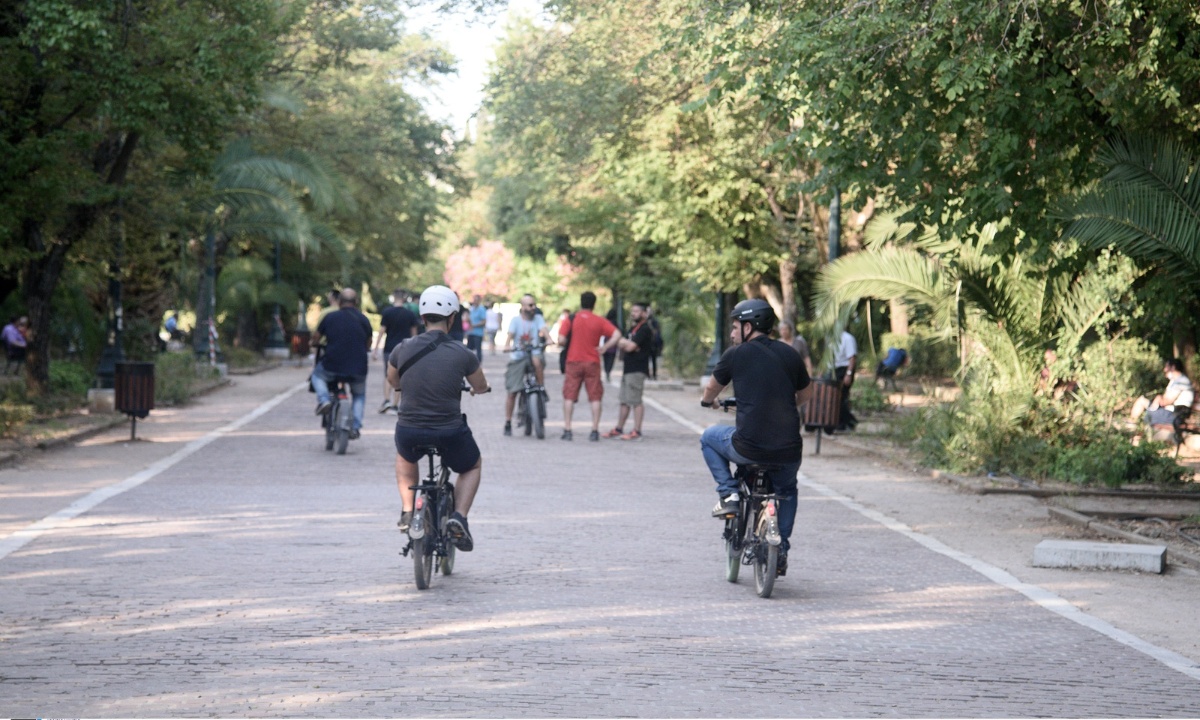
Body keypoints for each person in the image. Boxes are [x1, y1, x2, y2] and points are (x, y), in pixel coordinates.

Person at [700, 298, 812, 577]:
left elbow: (712, 389)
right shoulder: (790, 355)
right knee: (786, 491)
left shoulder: (736, 354)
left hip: (747, 446)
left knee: (709, 437)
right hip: (788, 450)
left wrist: (709, 402)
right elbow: (806, 394)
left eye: (736, 327)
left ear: (748, 327)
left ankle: (729, 493)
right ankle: (782, 547)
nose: (732, 334)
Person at [387, 285, 490, 551]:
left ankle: (408, 510)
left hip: (410, 430)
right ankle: (459, 517)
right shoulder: (463, 353)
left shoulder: (402, 348)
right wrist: (480, 390)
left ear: (422, 318)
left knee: (404, 454)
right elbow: (480, 385)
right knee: (472, 465)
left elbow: (392, 379)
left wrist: (403, 386)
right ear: (452, 318)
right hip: (449, 432)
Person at [559, 291, 622, 441]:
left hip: (573, 361)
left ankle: (568, 429)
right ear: (594, 304)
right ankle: (594, 430)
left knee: (569, 396)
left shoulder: (571, 319)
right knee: (595, 397)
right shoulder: (599, 321)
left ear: (581, 302)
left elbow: (561, 340)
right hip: (592, 361)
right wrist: (605, 347)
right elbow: (617, 334)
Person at [311, 289, 372, 439]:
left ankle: (324, 400)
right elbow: (368, 342)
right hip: (358, 367)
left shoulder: (330, 317)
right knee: (358, 395)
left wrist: (315, 343)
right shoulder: (363, 319)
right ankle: (356, 426)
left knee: (316, 376)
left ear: (339, 302)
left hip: (332, 365)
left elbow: (316, 337)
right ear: (356, 302)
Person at [601, 302, 654, 441]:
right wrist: (626, 344)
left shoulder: (644, 329)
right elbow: (621, 342)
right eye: (633, 311)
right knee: (624, 400)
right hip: (627, 369)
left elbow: (629, 346)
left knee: (636, 400)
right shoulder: (632, 329)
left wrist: (627, 345)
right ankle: (619, 428)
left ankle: (637, 430)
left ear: (644, 313)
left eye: (636, 311)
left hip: (637, 369)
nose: (633, 313)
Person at [501, 294, 549, 436]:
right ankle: (508, 422)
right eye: (529, 305)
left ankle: (541, 388)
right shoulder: (515, 321)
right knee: (512, 392)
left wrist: (549, 339)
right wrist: (507, 345)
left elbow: (545, 331)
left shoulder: (538, 319)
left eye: (533, 305)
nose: (532, 308)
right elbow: (509, 337)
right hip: (518, 356)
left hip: (533, 353)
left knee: (537, 361)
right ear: (522, 307)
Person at [372, 289, 419, 413]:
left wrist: (375, 349)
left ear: (394, 297)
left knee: (388, 375)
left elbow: (382, 331)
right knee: (401, 375)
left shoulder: (387, 312)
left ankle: (387, 399)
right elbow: (414, 334)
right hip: (405, 348)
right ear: (404, 298)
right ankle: (395, 404)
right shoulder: (410, 314)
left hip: (389, 347)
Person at [1130, 358, 1194, 428]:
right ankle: (1132, 424)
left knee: (1146, 415)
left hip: (1175, 416)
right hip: (1170, 412)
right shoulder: (1174, 381)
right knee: (1142, 401)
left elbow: (1166, 401)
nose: (1164, 370)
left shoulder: (1181, 381)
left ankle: (1132, 427)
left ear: (1173, 367)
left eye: (1166, 367)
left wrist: (1159, 398)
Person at [834, 329, 858, 431]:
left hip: (845, 369)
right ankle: (843, 422)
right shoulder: (832, 339)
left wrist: (848, 374)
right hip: (835, 369)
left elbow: (852, 358)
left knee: (841, 396)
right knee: (836, 397)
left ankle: (849, 421)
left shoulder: (848, 338)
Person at [467, 294, 487, 362]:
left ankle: (478, 364)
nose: (475, 301)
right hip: (471, 332)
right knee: (469, 350)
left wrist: (475, 325)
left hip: (478, 333)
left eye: (476, 300)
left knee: (478, 350)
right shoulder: (472, 308)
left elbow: (484, 321)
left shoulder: (481, 309)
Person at [647, 307, 663, 380]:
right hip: (646, 344)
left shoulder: (654, 322)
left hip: (653, 344)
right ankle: (647, 374)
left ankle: (654, 374)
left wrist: (650, 326)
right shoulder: (643, 321)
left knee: (653, 360)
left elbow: (656, 332)